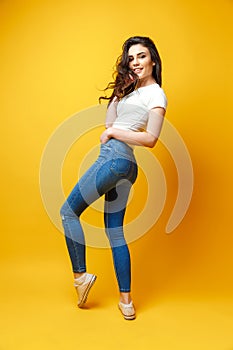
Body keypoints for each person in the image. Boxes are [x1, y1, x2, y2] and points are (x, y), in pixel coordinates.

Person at [60, 36, 167, 320]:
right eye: (131, 59)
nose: (136, 63)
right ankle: (127, 302)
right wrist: (120, 92)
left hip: (114, 158)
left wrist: (114, 134)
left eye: (141, 56)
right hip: (124, 166)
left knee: (68, 212)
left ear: (153, 60)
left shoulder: (157, 94)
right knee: (115, 231)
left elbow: (151, 138)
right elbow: (109, 123)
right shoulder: (131, 92)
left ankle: (80, 277)